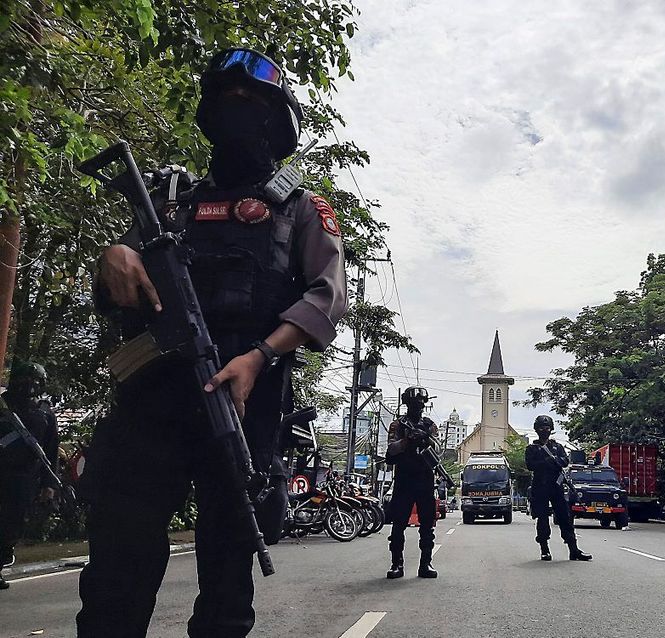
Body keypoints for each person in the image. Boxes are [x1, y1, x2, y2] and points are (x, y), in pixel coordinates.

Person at [76, 48, 348, 637]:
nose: (238, 114)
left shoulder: (300, 209)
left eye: (251, 104)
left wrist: (259, 356)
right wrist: (115, 255)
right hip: (152, 402)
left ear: (278, 124)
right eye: (227, 101)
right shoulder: (170, 200)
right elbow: (118, 282)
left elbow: (327, 298)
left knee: (226, 583)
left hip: (241, 406)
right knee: (115, 581)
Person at [0, 361, 60, 591]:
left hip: (23, 479)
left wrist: (49, 485)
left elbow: (50, 453)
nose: (30, 386)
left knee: (11, 525)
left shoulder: (44, 414)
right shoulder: (3, 405)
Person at [385, 386, 441, 579]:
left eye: (421, 402)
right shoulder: (397, 425)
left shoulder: (430, 425)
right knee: (398, 524)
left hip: (425, 479)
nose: (418, 406)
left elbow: (439, 450)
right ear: (406, 403)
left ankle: (425, 563)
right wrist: (407, 441)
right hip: (404, 479)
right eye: (414, 402)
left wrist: (425, 437)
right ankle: (396, 564)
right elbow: (391, 450)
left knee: (427, 525)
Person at [525, 415, 592, 562]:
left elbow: (564, 461)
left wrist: (555, 460)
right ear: (536, 429)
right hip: (540, 486)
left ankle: (573, 550)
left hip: (556, 486)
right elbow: (530, 465)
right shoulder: (532, 448)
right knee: (542, 519)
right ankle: (544, 549)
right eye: (542, 428)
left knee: (565, 518)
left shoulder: (557, 447)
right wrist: (546, 461)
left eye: (547, 428)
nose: (545, 430)